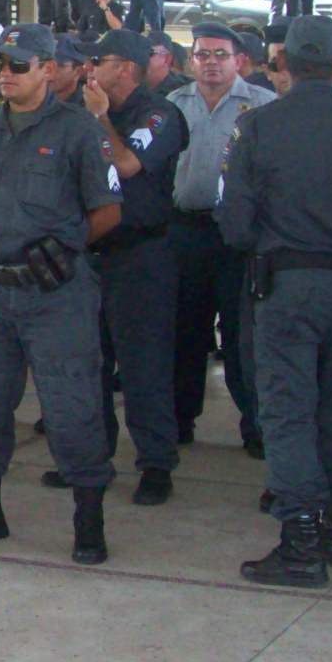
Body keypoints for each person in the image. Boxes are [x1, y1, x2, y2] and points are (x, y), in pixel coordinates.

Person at [219, 14, 332, 588]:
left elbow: (236, 225)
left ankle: (300, 540)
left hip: (286, 287)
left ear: (284, 63)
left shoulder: (258, 126)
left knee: (288, 410)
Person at [0, 23, 123, 563]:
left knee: (71, 406)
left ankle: (88, 519)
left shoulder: (77, 129)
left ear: (48, 69)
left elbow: (108, 211)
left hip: (55, 294)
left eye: (19, 65)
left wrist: (65, 250)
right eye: (0, 63)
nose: (6, 73)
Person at [78, 29, 188, 504]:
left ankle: (156, 464)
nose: (89, 69)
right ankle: (92, 459)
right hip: (91, 253)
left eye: (98, 61)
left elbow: (125, 165)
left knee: (144, 365)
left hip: (142, 255)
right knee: (89, 365)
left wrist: (100, 119)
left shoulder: (158, 113)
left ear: (125, 68)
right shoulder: (84, 110)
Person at [167, 22, 276, 452]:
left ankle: (256, 426)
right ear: (190, 60)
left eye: (220, 55)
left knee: (241, 335)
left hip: (238, 238)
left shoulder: (263, 105)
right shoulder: (174, 104)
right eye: (203, 54)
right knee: (185, 331)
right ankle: (180, 419)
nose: (211, 63)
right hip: (185, 232)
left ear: (239, 61)